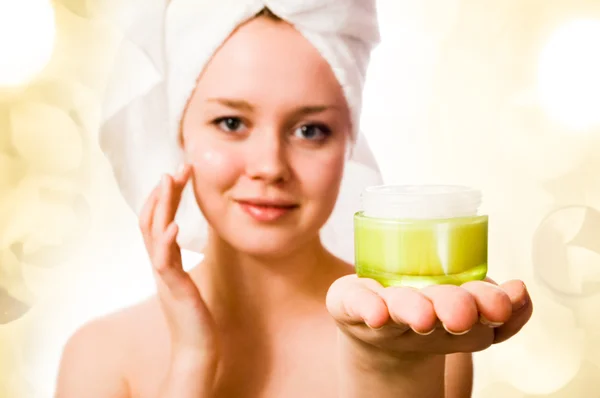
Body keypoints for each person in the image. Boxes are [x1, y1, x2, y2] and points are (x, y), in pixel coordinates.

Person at [55, 2, 533, 397]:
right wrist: (193, 360)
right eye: (231, 123)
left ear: (348, 143)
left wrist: (391, 369)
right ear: (178, 130)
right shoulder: (101, 357)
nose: (269, 165)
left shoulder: (413, 333)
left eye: (310, 130)